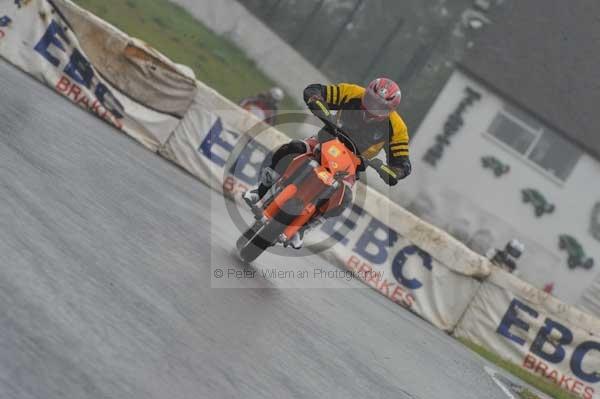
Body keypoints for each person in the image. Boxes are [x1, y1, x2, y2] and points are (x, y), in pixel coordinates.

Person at [243, 78, 412, 248]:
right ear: (366, 93)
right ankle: (261, 190)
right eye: (370, 100)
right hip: (325, 142)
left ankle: (304, 228)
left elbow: (403, 164)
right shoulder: (351, 92)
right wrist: (318, 104)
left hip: (351, 166)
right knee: (293, 147)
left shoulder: (398, 128)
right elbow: (314, 90)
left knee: (344, 198)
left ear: (390, 109)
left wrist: (390, 170)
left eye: (379, 106)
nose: (371, 108)